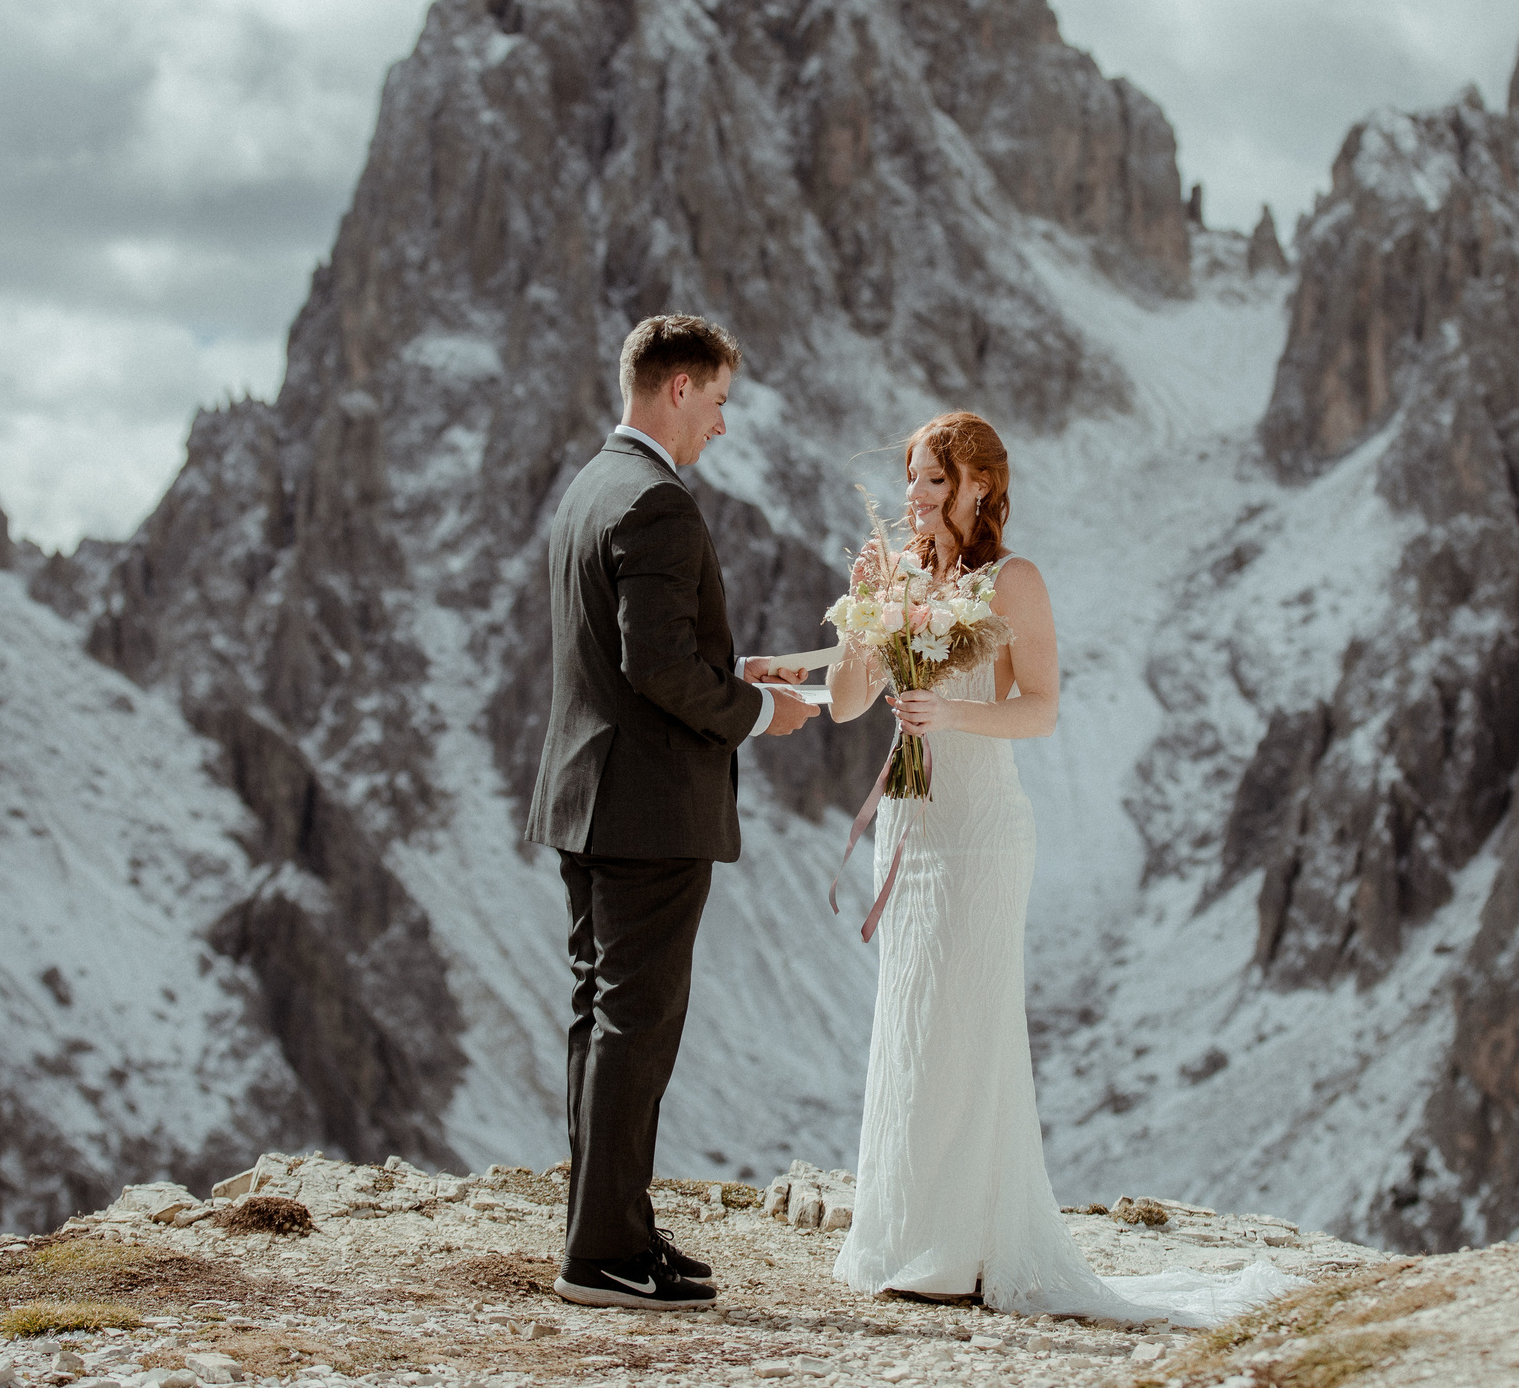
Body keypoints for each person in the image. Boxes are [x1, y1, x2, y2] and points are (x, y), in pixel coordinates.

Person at [816, 411, 1293, 1325]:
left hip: (983, 829)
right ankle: (903, 1233)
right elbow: (846, 705)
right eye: (911, 478)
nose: (914, 495)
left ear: (980, 488)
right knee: (911, 1018)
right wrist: (861, 615)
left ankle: (961, 1247)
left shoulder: (1013, 581)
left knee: (969, 1019)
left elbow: (1039, 709)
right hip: (910, 829)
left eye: (931, 480)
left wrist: (950, 717)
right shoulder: (907, 578)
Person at [525, 314, 818, 1312]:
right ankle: (602, 1252)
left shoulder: (591, 488)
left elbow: (629, 656)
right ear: (680, 388)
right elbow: (653, 670)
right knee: (635, 1026)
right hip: (646, 812)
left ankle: (612, 1228)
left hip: (587, 799)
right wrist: (758, 711)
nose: (723, 427)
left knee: (602, 1021)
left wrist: (731, 669)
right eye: (722, 402)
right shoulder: (658, 504)